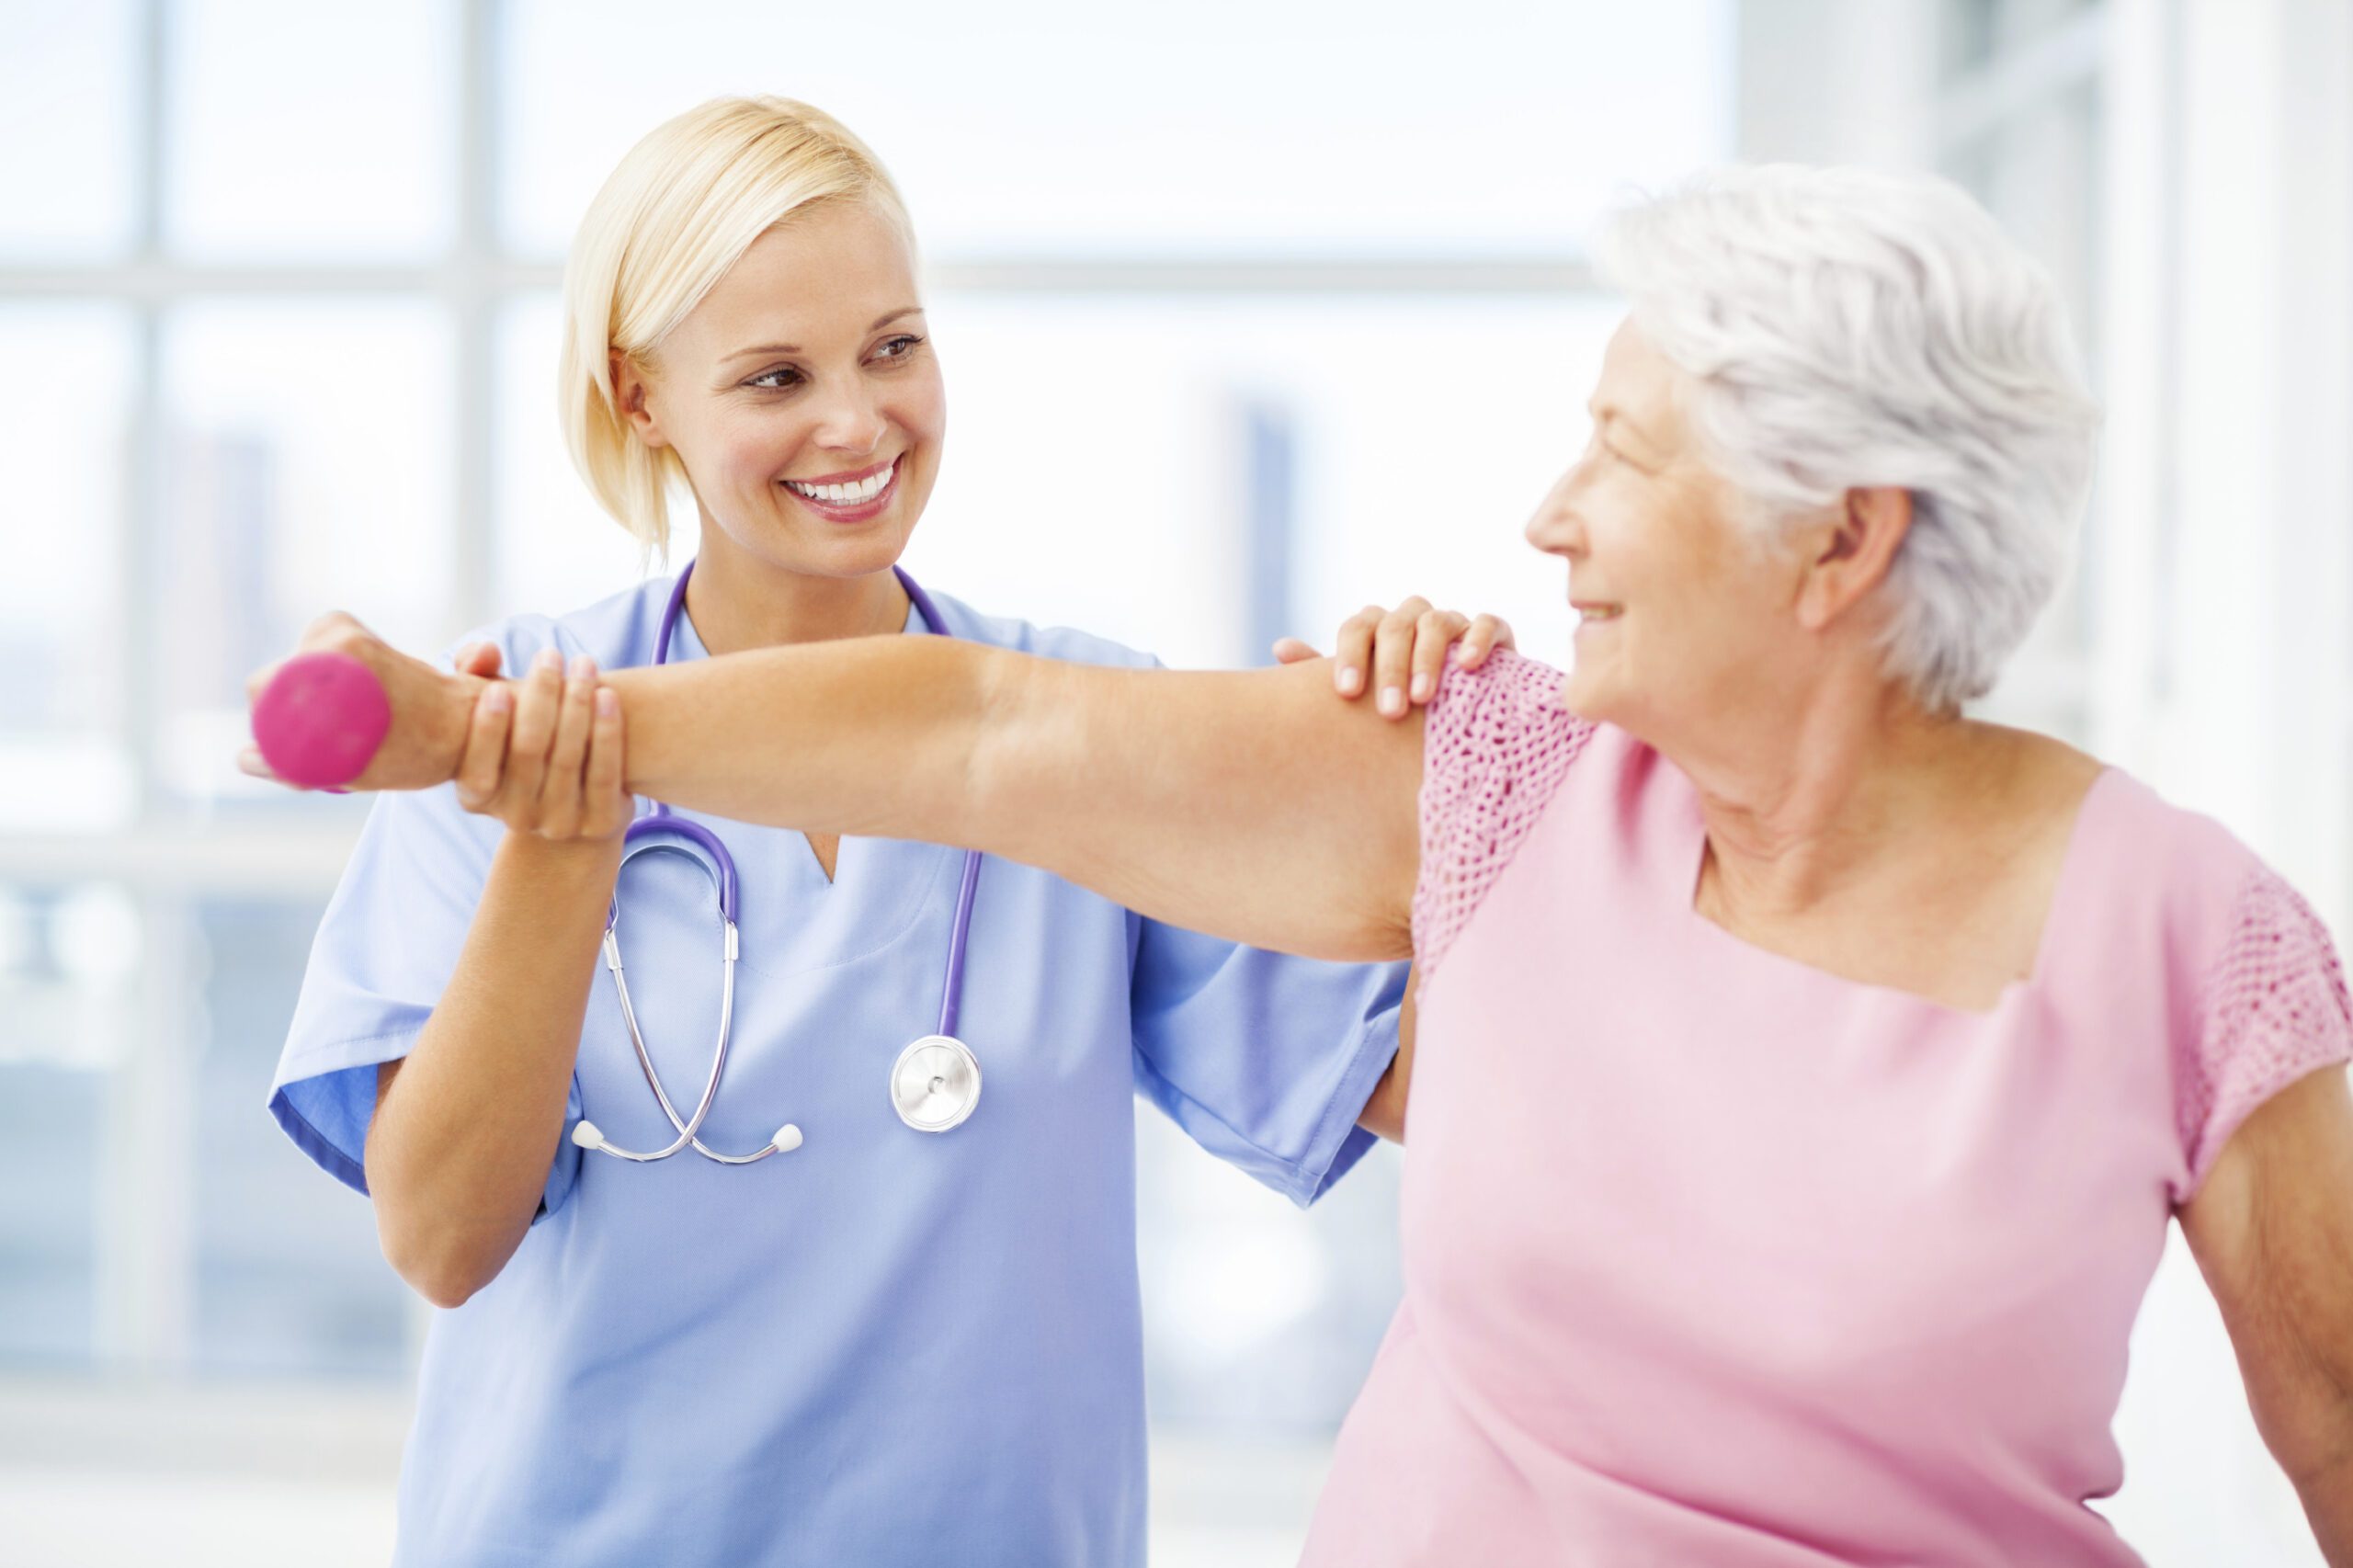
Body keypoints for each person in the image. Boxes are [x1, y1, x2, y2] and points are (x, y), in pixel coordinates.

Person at [256, 163, 2353, 1564]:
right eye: (777, 368)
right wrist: (489, 748)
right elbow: (980, 734)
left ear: (1841, 537)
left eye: (1617, 458)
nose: (1542, 519)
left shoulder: (2188, 938)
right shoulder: (1497, 784)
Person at [259, 95, 1511, 1568]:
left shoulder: (1088, 719)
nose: (858, 422)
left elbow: (1461, 1095)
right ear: (640, 396)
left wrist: (1452, 768)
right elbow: (443, 1239)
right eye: (776, 375)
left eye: (894, 346)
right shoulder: (511, 719)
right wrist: (561, 827)